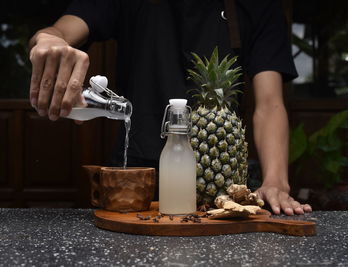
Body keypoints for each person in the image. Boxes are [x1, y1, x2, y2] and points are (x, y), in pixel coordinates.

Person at [28, 0, 312, 215]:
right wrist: (49, 39)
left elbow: (270, 103)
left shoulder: (257, 5)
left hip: (221, 180)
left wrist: (276, 181)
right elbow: (62, 29)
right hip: (137, 170)